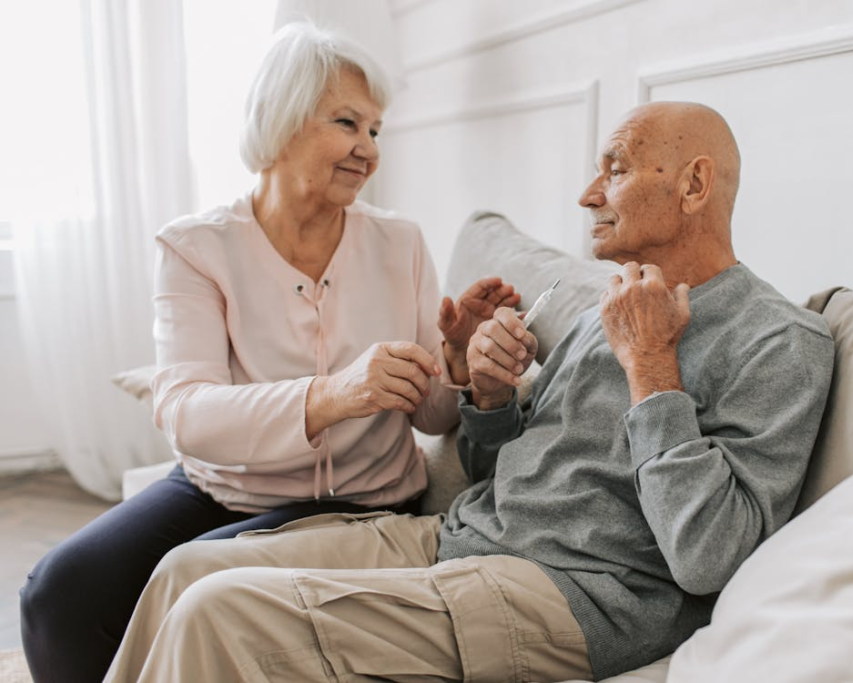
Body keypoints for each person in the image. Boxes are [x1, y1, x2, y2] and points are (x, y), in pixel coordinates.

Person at [102, 101, 835, 683]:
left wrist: (651, 369)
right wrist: (489, 396)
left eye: (613, 169)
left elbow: (709, 557)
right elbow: (502, 473)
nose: (586, 195)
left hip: (574, 596)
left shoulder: (781, 341)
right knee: (183, 570)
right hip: (460, 538)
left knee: (216, 613)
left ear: (694, 185)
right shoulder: (599, 310)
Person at [19, 22, 519, 683]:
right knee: (58, 596)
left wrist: (452, 364)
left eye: (376, 130)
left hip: (361, 497)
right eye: (348, 122)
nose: (369, 149)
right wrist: (336, 393)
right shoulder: (197, 247)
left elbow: (429, 418)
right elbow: (186, 409)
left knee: (184, 591)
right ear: (282, 120)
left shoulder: (400, 242)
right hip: (221, 485)